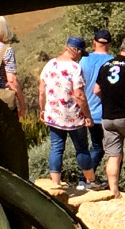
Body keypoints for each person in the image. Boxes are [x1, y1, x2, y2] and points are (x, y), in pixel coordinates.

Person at [39, 36, 105, 190]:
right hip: (73, 116)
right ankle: (91, 181)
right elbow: (79, 95)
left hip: (53, 114)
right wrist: (88, 116)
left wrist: (42, 109)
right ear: (75, 50)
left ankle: (55, 183)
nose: (81, 56)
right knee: (81, 148)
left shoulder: (50, 64)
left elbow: (41, 90)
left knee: (56, 147)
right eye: (81, 53)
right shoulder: (75, 68)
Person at [94, 35, 125, 199]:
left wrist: (108, 99)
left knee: (113, 155)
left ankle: (113, 191)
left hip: (107, 117)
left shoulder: (106, 65)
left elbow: (96, 90)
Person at [79, 29, 113, 180]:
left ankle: (85, 178)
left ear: (94, 42)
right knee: (101, 148)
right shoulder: (112, 62)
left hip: (84, 110)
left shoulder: (84, 60)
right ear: (110, 45)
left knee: (87, 147)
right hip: (103, 112)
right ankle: (85, 177)